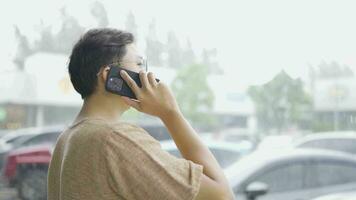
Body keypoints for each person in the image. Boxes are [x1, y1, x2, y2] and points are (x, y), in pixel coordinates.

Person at [47, 28, 234, 200]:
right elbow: (220, 194)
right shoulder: (114, 138)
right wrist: (170, 113)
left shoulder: (67, 139)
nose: (146, 73)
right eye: (138, 64)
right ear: (109, 75)